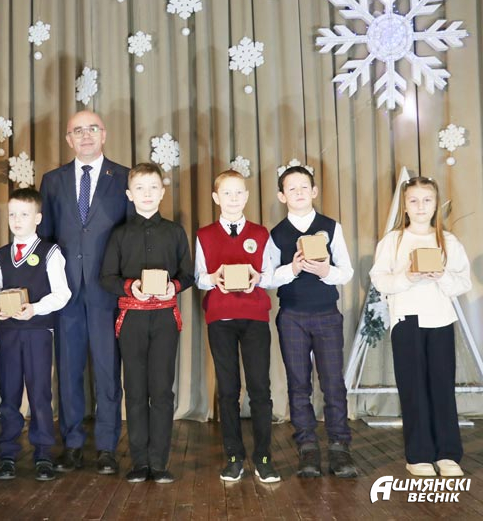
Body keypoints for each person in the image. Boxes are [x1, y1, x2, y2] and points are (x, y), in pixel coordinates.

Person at [38, 110, 131, 474]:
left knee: (108, 372)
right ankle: (73, 444)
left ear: (104, 134)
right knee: (68, 370)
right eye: (78, 130)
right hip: (66, 293)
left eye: (93, 128)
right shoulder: (53, 180)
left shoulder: (123, 177)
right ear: (68, 139)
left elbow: (129, 235)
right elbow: (45, 237)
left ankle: (107, 447)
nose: (86, 135)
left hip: (107, 292)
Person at [370, 177, 471, 477]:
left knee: (442, 386)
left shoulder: (448, 241)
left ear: (436, 204)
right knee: (413, 388)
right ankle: (418, 455)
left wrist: (440, 275)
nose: (420, 207)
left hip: (440, 319)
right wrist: (408, 277)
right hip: (407, 320)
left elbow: (463, 282)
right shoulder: (393, 241)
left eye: (427, 200)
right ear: (404, 206)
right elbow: (379, 279)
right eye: (413, 201)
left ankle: (447, 454)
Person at [100, 162, 193, 483]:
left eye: (153, 187)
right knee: (136, 389)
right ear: (129, 194)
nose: (147, 194)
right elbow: (106, 277)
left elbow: (188, 274)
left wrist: (174, 287)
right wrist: (131, 287)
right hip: (131, 319)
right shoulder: (119, 234)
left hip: (166, 318)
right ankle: (140, 462)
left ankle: (159, 462)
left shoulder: (175, 232)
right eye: (140, 188)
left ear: (163, 192)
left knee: (162, 390)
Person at [264, 164, 357, 478]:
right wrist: (292, 269)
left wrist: (326, 272)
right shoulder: (276, 234)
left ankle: (340, 447)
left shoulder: (331, 227)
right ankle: (307, 447)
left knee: (333, 383)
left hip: (327, 314)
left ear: (315, 191)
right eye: (291, 188)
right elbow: (266, 278)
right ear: (282, 196)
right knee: (298, 384)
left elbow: (346, 272)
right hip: (292, 316)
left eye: (304, 186)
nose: (299, 192)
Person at [194, 170, 280, 483]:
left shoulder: (260, 233)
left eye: (238, 193)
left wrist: (258, 278)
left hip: (254, 317)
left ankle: (264, 458)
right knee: (228, 389)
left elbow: (270, 275)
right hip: (221, 319)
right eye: (226, 193)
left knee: (260, 388)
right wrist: (213, 278)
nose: (233, 199)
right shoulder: (204, 235)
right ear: (216, 198)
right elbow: (199, 277)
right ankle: (233, 457)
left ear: (246, 196)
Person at [0, 188, 72, 482]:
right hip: (9, 332)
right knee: (9, 394)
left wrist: (34, 309)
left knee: (39, 394)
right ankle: (7, 453)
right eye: (12, 214)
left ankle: (43, 453)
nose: (17, 220)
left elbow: (62, 294)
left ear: (37, 218)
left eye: (24, 214)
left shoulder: (50, 252)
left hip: (37, 332)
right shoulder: (1, 255)